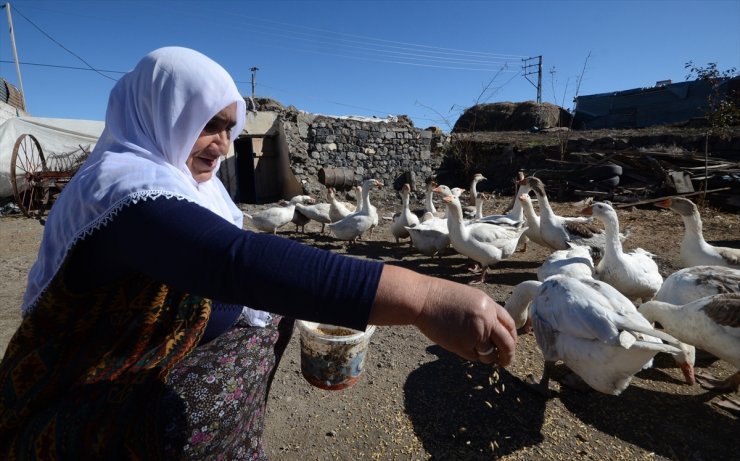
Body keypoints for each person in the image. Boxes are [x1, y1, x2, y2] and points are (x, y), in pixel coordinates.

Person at [0, 47, 517, 459]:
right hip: (93, 403)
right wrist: (423, 297)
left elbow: (249, 260)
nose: (225, 145)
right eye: (209, 124)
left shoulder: (193, 186)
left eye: (230, 126)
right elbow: (234, 261)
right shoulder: (121, 189)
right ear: (161, 112)